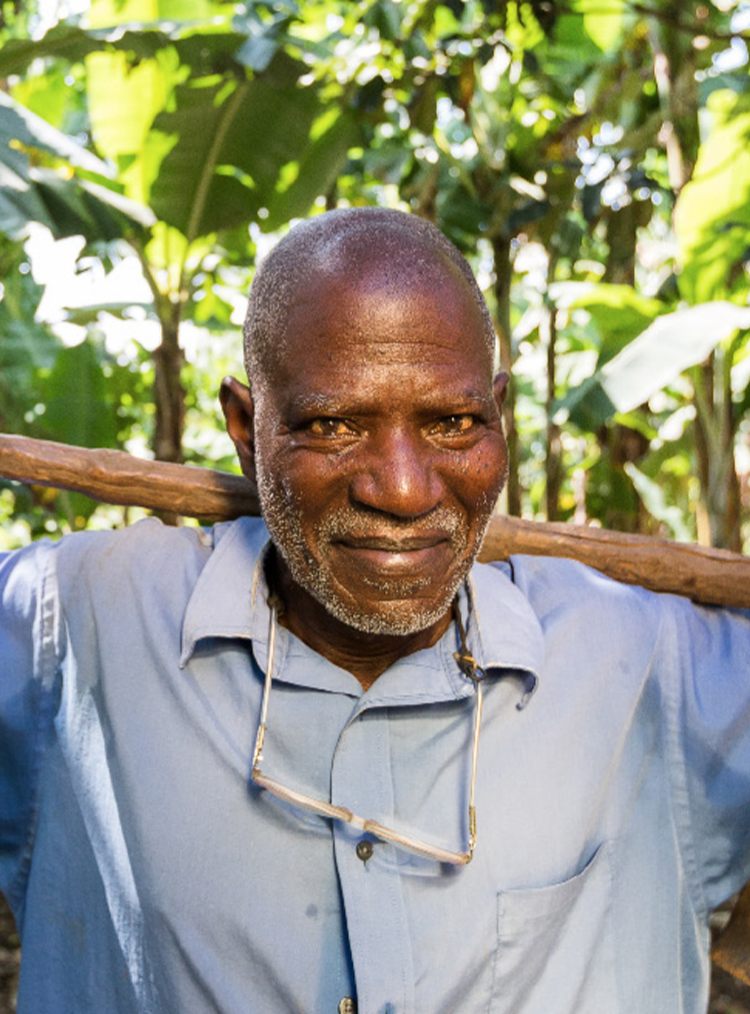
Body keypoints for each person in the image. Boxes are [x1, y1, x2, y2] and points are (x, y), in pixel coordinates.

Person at [0, 206, 749, 1014]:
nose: (401, 489)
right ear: (247, 429)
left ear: (498, 413)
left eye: (453, 423)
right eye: (333, 425)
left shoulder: (653, 665)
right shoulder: (72, 630)